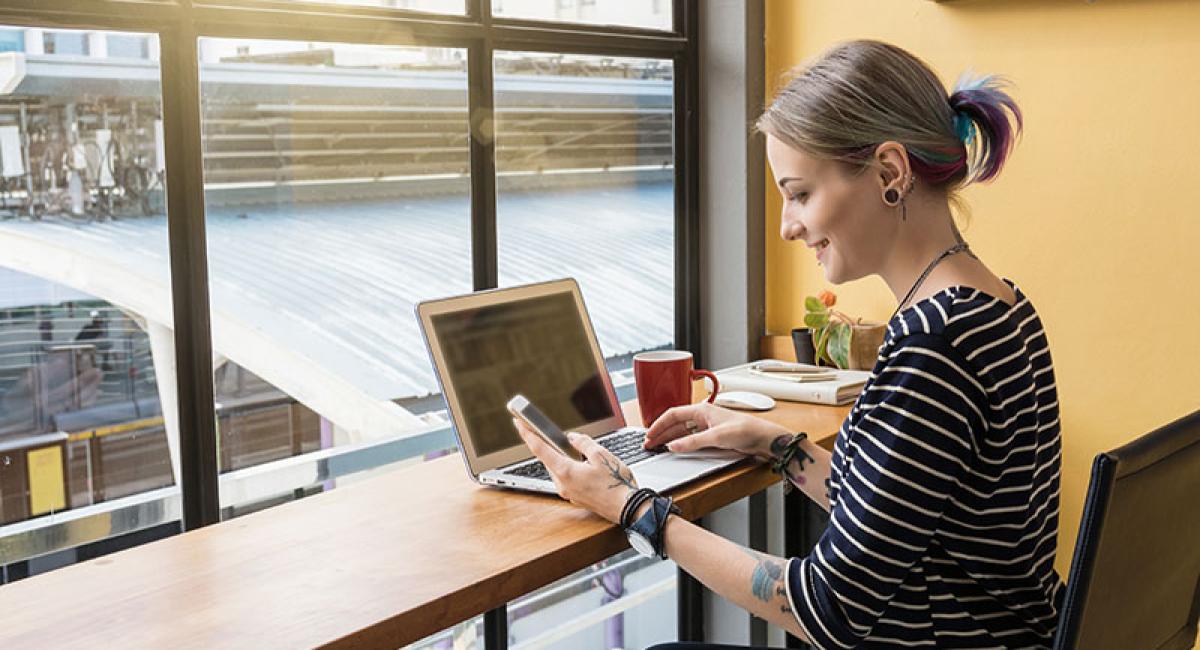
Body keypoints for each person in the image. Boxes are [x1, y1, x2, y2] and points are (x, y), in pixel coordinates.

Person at [514, 39, 1063, 649]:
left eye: (800, 193)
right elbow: (898, 520)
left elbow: (826, 610)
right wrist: (773, 444)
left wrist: (635, 510)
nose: (786, 225)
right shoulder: (998, 306)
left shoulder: (935, 346)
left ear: (890, 172)